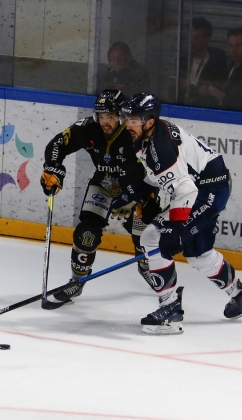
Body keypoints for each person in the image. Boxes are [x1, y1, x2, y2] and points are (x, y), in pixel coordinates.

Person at [121, 93, 242, 334]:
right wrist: (139, 191)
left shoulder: (159, 149)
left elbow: (186, 190)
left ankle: (170, 310)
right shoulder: (146, 137)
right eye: (126, 119)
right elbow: (161, 177)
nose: (127, 125)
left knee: (155, 238)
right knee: (198, 253)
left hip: (207, 190)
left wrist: (175, 228)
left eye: (133, 120)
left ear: (149, 121)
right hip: (205, 185)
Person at [40, 89, 156, 307]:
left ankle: (148, 268)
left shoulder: (136, 132)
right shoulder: (87, 129)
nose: (105, 122)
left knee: (145, 238)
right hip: (104, 183)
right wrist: (53, 168)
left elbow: (157, 168)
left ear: (121, 116)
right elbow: (57, 144)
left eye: (110, 116)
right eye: (101, 116)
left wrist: (140, 195)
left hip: (137, 188)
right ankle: (77, 281)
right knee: (86, 233)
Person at [207, 27, 242, 112]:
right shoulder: (231, 67)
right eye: (231, 45)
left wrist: (225, 96)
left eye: (238, 45)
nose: (234, 50)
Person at [183, 17, 228, 108]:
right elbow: (172, 91)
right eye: (190, 36)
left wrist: (192, 88)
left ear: (207, 39)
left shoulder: (217, 60)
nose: (192, 41)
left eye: (197, 37)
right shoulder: (183, 60)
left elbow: (218, 86)